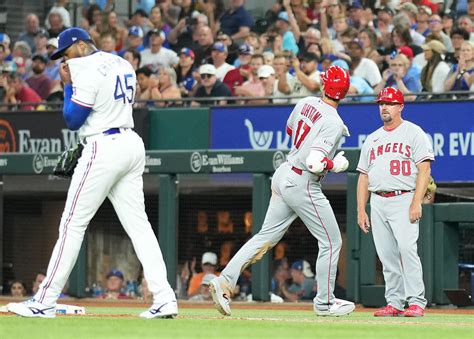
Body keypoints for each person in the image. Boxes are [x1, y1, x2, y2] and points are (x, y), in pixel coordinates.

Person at [6, 27, 177, 319]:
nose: (64, 60)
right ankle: (165, 298)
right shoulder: (121, 61)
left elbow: (73, 119)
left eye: (66, 52)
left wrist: (68, 86)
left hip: (104, 146)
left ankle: (44, 300)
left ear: (81, 46)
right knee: (140, 227)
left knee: (72, 224)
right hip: (131, 142)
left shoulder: (84, 67)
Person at [209, 65, 355, 317]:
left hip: (284, 172)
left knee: (264, 237)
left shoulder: (307, 101)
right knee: (331, 241)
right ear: (343, 91)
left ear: (324, 84)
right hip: (304, 180)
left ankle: (225, 281)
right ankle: (325, 302)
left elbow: (291, 131)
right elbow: (315, 162)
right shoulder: (333, 121)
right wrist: (335, 165)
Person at [356, 87, 434, 318]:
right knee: (386, 254)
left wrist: (416, 202)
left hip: (403, 197)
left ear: (401, 106)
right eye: (381, 103)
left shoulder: (413, 132)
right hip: (378, 200)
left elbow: (425, 169)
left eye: (389, 103)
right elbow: (364, 176)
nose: (384, 107)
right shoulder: (372, 138)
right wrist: (361, 209)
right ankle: (394, 302)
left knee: (407, 250)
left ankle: (417, 302)